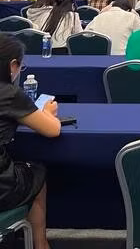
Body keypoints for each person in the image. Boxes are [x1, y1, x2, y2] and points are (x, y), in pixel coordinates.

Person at [0, 34, 61, 249]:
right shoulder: (9, 93)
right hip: (2, 188)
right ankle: (40, 243)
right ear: (13, 65)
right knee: (36, 173)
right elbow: (53, 130)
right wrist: (48, 112)